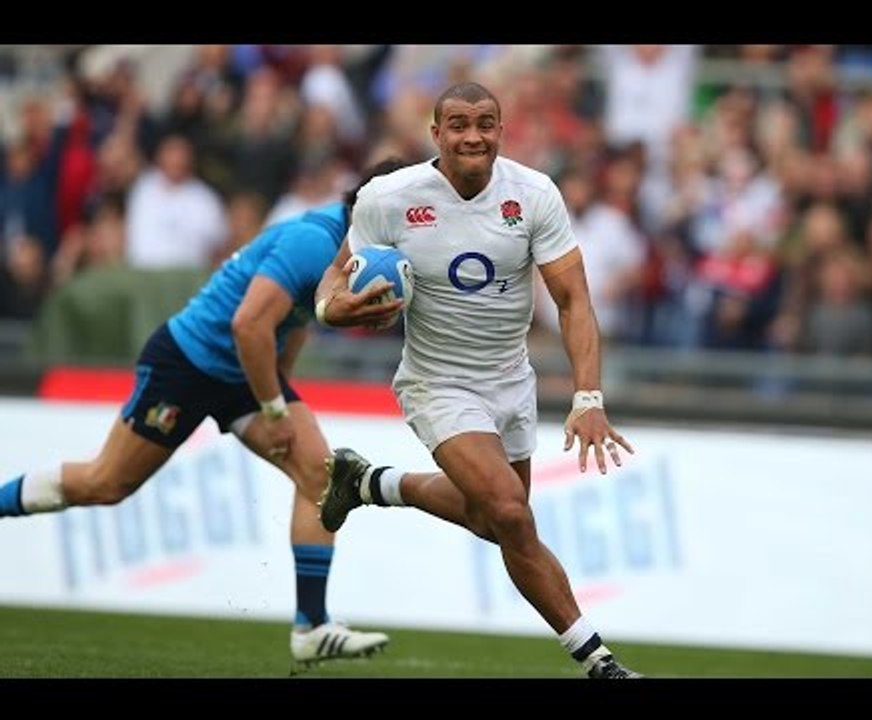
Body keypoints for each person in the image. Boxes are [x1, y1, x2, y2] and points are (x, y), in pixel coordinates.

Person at [0, 158, 407, 666]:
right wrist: (276, 410)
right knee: (105, 483)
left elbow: (293, 317)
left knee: (323, 477)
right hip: (188, 363)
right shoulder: (313, 242)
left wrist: (278, 385)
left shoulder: (349, 247)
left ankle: (311, 626)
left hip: (245, 372)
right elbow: (247, 326)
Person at [314, 82, 641, 679]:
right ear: (435, 134)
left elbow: (573, 300)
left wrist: (588, 397)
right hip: (437, 381)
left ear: (500, 130)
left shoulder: (534, 194)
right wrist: (331, 310)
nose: (473, 136)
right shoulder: (389, 198)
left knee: (493, 518)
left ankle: (370, 482)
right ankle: (599, 662)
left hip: (511, 380)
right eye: (459, 124)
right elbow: (333, 282)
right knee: (511, 515)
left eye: (485, 123)